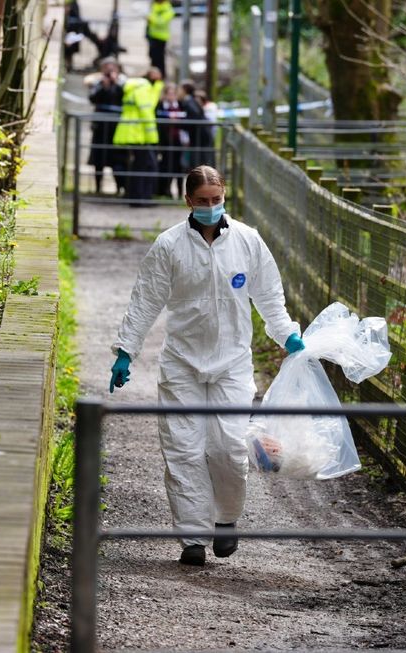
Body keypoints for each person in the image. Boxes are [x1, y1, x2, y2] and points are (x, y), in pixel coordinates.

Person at [108, 166, 306, 566]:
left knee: (229, 448)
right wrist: (126, 351)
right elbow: (145, 300)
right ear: (188, 201)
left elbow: (268, 294)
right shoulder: (168, 246)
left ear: (225, 196)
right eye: (203, 201)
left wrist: (287, 335)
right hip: (182, 363)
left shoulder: (248, 242)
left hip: (232, 362)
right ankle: (193, 539)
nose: (211, 207)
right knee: (183, 450)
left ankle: (227, 520)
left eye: (216, 200)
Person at [113, 71, 161, 203]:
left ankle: (135, 196)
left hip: (131, 132)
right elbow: (146, 112)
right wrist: (153, 137)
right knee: (146, 166)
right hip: (140, 134)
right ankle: (141, 198)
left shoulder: (133, 87)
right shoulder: (143, 88)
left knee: (138, 166)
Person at [87, 57, 126, 194]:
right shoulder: (98, 82)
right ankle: (98, 187)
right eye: (106, 68)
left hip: (117, 128)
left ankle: (119, 187)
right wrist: (104, 87)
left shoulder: (123, 82)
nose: (109, 72)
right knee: (99, 159)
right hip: (100, 127)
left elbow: (125, 97)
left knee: (118, 159)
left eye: (112, 68)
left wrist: (116, 83)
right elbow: (92, 98)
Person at [155, 83, 187, 198]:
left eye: (173, 93)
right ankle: (165, 191)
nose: (171, 96)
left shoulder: (181, 104)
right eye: (169, 93)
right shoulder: (160, 105)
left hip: (178, 140)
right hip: (165, 140)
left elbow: (186, 118)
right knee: (166, 165)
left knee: (178, 167)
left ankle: (179, 192)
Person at [146, 0, 176, 79]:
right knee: (152, 56)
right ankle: (153, 75)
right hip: (152, 35)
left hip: (161, 38)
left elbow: (161, 21)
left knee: (159, 59)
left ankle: (160, 76)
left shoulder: (168, 9)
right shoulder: (155, 5)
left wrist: (151, 19)